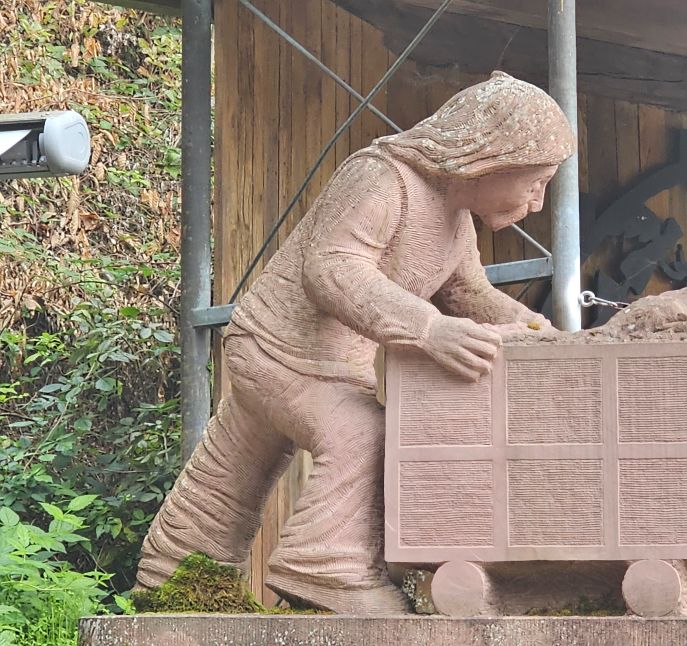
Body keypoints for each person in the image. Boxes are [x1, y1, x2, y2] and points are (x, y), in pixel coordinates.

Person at [136, 71, 576, 613]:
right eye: (535, 181)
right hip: (277, 350)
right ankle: (326, 566)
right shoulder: (382, 179)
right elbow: (332, 268)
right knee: (365, 430)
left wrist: (534, 329)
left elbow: (468, 293)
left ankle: (172, 575)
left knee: (236, 462)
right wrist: (427, 329)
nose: (537, 198)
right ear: (488, 157)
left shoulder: (456, 223)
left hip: (329, 366)